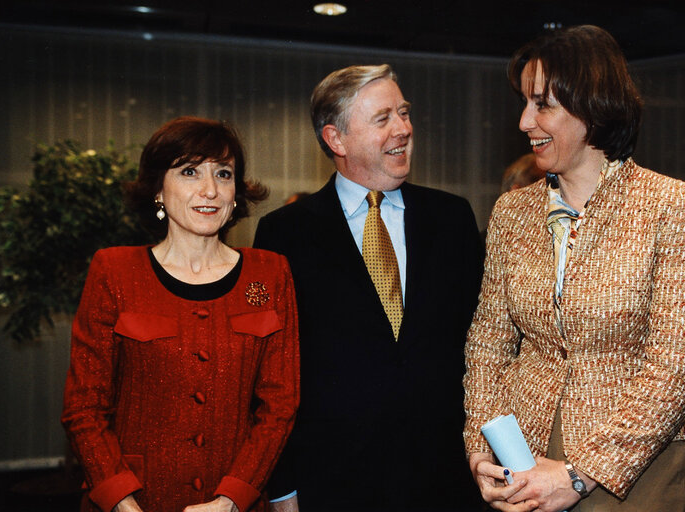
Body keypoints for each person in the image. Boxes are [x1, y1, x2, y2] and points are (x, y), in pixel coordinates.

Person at [463, 25, 685, 512]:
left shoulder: (672, 204)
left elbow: (677, 366)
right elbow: (488, 340)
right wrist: (480, 448)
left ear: (593, 106)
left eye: (543, 104)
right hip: (522, 455)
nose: (523, 121)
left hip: (634, 464)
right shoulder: (512, 212)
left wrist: (581, 474)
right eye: (524, 102)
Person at [253, 64, 484, 511]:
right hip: (334, 485)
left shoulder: (452, 219)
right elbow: (270, 375)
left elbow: (485, 346)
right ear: (335, 139)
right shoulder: (285, 235)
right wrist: (282, 488)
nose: (404, 129)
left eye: (404, 112)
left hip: (448, 483)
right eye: (383, 119)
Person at [61, 117, 300, 512]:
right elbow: (83, 407)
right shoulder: (114, 272)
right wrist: (122, 501)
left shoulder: (271, 274)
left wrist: (232, 499)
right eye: (189, 171)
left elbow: (280, 406)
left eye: (223, 174)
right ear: (158, 187)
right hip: (133, 501)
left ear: (236, 192)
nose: (210, 190)